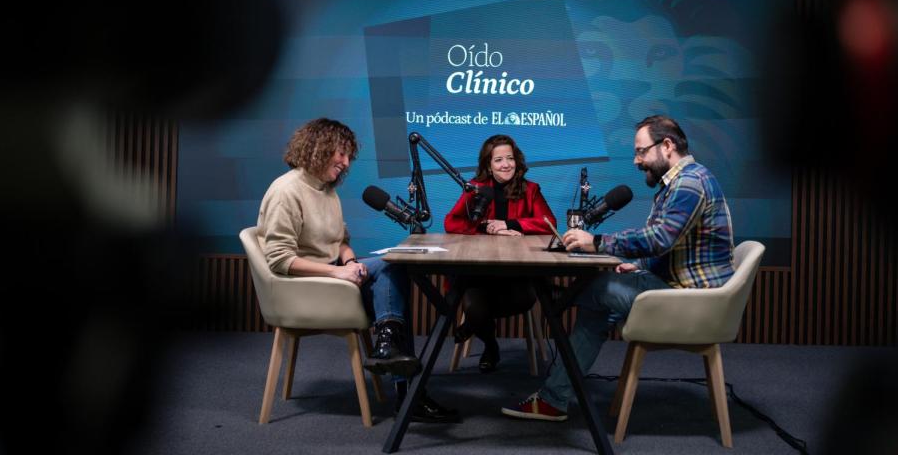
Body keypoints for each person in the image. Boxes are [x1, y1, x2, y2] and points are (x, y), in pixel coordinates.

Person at [501, 115, 734, 421]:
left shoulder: (690, 183)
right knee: (600, 299)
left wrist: (596, 243)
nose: (637, 161)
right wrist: (636, 265)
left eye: (641, 151)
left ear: (666, 146)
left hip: (696, 301)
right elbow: (675, 246)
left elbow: (661, 238)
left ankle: (555, 316)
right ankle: (554, 398)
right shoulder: (680, 181)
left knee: (599, 288)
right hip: (682, 288)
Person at [257, 118, 457, 423]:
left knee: (392, 268)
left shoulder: (326, 191)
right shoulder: (286, 191)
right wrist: (337, 273)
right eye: (342, 154)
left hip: (332, 280)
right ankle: (402, 380)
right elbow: (279, 260)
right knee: (393, 270)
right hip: (304, 290)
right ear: (319, 147)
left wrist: (349, 262)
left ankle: (389, 347)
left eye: (349, 156)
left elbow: (341, 241)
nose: (346, 163)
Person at [443, 134, 557, 372]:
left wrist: (511, 225)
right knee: (474, 305)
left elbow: (549, 223)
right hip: (482, 274)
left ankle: (473, 325)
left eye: (510, 158)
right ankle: (491, 346)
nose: (506, 164)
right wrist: (485, 226)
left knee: (481, 310)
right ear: (488, 165)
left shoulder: (530, 189)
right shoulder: (476, 188)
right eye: (498, 160)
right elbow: (451, 223)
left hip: (518, 276)